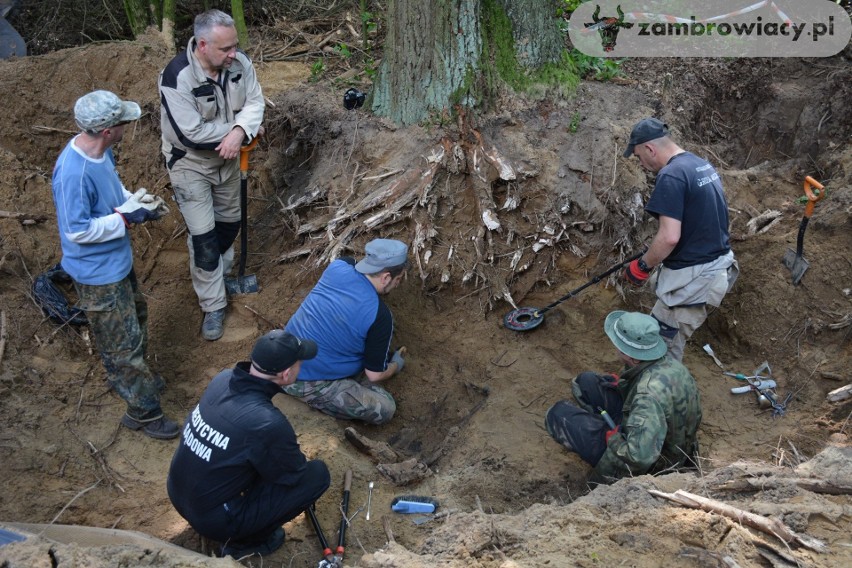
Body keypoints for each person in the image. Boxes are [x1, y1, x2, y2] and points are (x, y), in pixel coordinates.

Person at [51, 90, 177, 440]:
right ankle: (144, 413)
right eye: (123, 122)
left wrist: (133, 202)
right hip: (97, 276)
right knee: (120, 346)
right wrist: (123, 218)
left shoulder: (100, 153)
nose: (127, 126)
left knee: (135, 321)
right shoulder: (72, 173)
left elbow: (113, 192)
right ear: (108, 129)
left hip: (116, 263)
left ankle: (141, 385)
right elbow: (76, 231)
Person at [167, 330, 330, 559]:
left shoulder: (222, 379)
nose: (300, 366)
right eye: (299, 363)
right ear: (285, 374)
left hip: (178, 492)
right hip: (215, 521)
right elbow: (293, 475)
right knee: (317, 475)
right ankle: (245, 543)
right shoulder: (266, 423)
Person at [159, 9, 265, 341]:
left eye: (235, 46)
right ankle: (213, 303)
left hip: (228, 162)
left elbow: (255, 103)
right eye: (226, 49)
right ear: (203, 45)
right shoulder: (176, 77)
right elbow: (190, 133)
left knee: (229, 224)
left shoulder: (239, 64)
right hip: (190, 165)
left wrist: (239, 130)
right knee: (204, 240)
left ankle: (220, 276)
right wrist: (238, 131)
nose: (234, 54)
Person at [622, 117, 739, 361]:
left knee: (659, 349)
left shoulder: (671, 175)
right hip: (716, 265)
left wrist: (643, 266)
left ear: (650, 149)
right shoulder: (698, 164)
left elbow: (669, 237)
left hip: (696, 277)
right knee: (661, 335)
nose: (640, 163)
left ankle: (655, 394)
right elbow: (700, 218)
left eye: (638, 156)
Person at [545, 311, 702, 484]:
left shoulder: (646, 397)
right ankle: (608, 426)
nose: (615, 347)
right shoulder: (672, 365)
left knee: (558, 415)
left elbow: (638, 457)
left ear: (631, 356)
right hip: (664, 437)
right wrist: (625, 386)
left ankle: (603, 462)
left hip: (655, 463)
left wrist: (612, 438)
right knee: (586, 382)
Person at [282, 239, 409, 424]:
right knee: (386, 407)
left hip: (281, 359)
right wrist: (395, 366)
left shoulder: (340, 265)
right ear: (386, 277)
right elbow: (375, 375)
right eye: (398, 279)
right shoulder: (380, 317)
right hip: (301, 381)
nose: (397, 284)